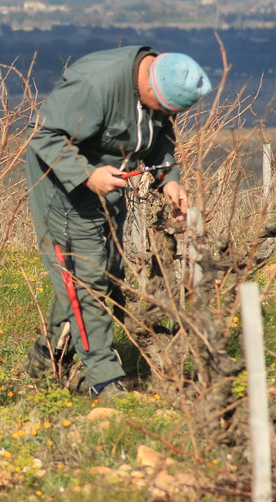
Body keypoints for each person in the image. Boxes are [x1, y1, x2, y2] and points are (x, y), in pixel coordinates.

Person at [22, 46, 211, 402]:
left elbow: (157, 137)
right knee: (84, 280)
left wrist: (169, 178)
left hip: (107, 184)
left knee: (105, 269)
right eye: (165, 108)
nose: (166, 116)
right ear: (151, 89)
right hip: (62, 185)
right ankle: (105, 381)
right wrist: (87, 175)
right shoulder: (95, 84)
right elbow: (45, 136)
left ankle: (46, 358)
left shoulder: (155, 87)